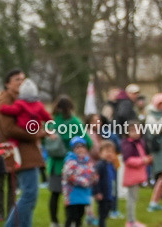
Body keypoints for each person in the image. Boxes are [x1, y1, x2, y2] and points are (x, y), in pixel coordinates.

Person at [0, 69, 46, 227]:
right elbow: (8, 129)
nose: (21, 82)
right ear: (7, 83)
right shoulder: (5, 100)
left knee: (29, 197)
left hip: (27, 152)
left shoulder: (21, 99)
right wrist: (36, 134)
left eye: (23, 79)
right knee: (29, 195)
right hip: (20, 153)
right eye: (17, 79)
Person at [45, 95, 90, 227]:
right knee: (70, 195)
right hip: (73, 164)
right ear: (70, 107)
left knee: (55, 194)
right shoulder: (75, 122)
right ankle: (70, 221)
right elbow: (88, 141)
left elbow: (44, 140)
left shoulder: (52, 122)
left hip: (55, 164)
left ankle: (54, 221)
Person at [120, 121, 151, 227]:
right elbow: (128, 160)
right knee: (131, 199)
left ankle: (132, 220)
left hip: (137, 174)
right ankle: (131, 221)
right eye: (132, 131)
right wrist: (142, 161)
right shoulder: (128, 144)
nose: (135, 133)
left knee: (134, 198)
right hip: (132, 175)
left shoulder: (139, 142)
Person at [61, 137, 97, 227]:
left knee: (80, 215)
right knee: (71, 215)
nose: (80, 149)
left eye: (82, 147)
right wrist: (84, 181)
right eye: (77, 147)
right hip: (72, 193)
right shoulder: (70, 161)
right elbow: (69, 176)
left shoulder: (87, 161)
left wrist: (94, 179)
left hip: (83, 194)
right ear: (73, 149)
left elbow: (92, 173)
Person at [92, 141, 117, 227]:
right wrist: (97, 192)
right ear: (100, 153)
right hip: (102, 194)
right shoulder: (100, 165)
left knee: (106, 212)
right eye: (106, 151)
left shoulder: (111, 165)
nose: (109, 154)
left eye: (111, 152)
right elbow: (95, 179)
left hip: (109, 194)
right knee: (102, 214)